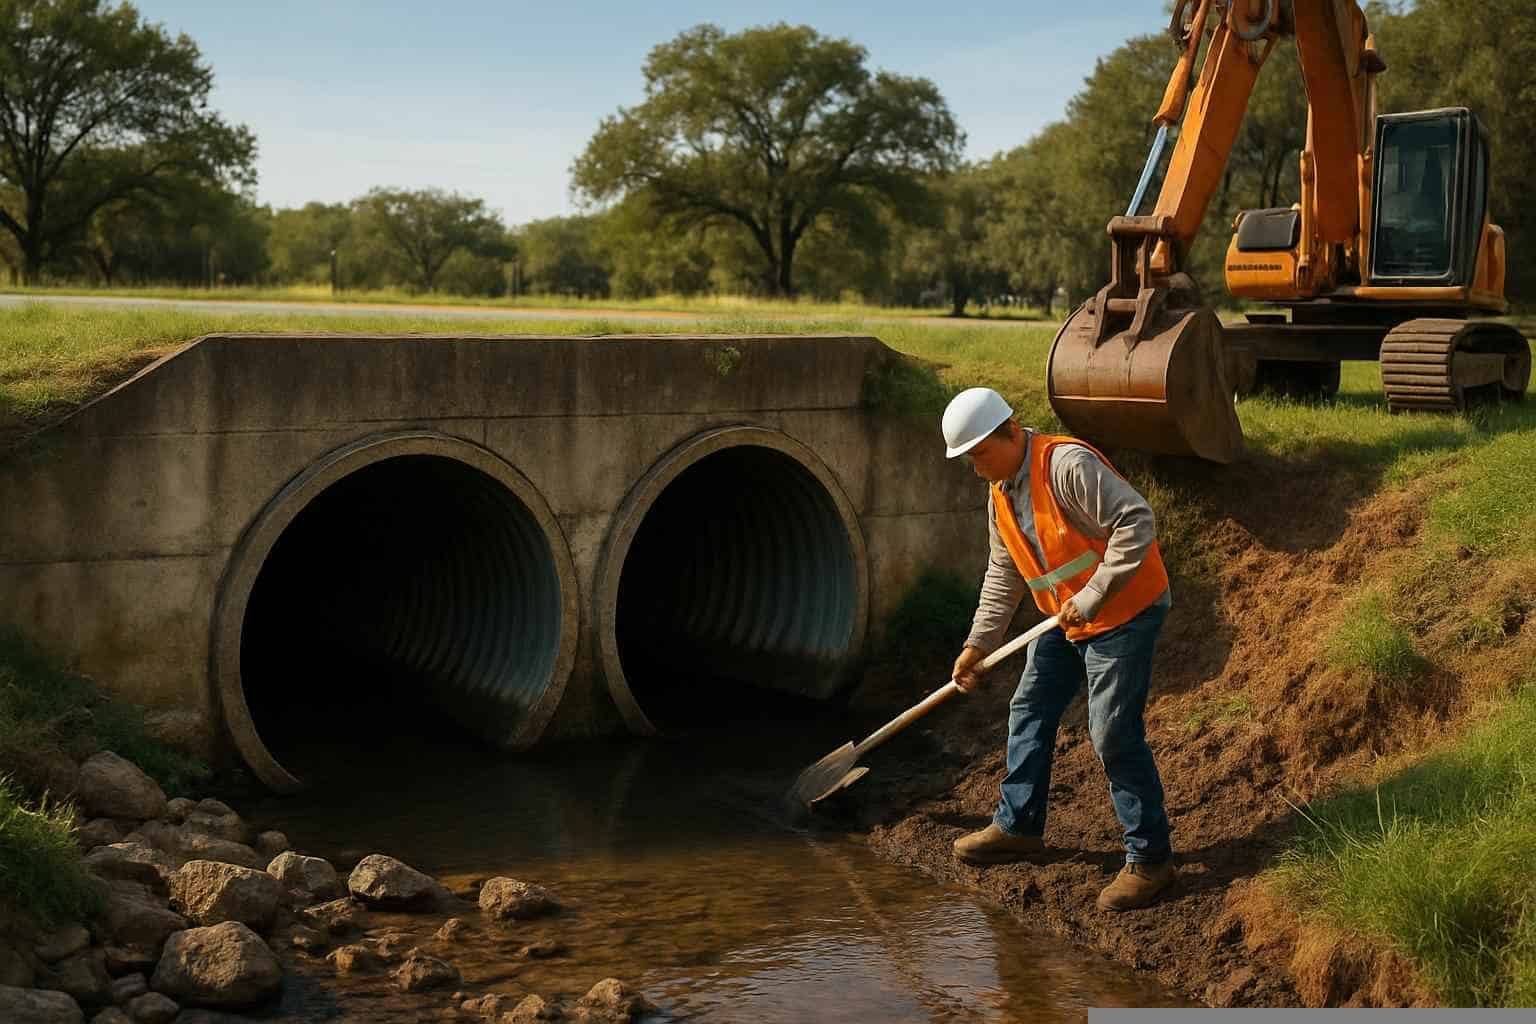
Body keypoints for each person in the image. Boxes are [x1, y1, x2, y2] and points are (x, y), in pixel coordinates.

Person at [941, 386, 1176, 912]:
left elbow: (1136, 521)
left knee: (1112, 732)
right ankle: (1019, 825)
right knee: (1029, 707)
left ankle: (1151, 859)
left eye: (979, 454)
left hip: (1125, 611)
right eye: (970, 460)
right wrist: (978, 643)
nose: (977, 469)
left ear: (1009, 431)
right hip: (1065, 620)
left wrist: (1094, 595)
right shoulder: (1001, 490)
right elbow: (1005, 574)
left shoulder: (1066, 466)